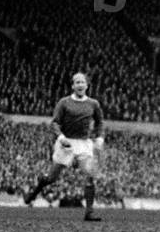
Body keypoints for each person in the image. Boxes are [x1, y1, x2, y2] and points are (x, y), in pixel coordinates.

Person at [23, 72, 106, 221]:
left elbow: (100, 122)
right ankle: (35, 191)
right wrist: (61, 137)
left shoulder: (93, 104)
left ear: (87, 85)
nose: (80, 85)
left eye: (82, 82)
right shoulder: (64, 102)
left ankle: (89, 212)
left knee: (90, 174)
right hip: (66, 142)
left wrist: (99, 137)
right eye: (77, 82)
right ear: (73, 86)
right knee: (52, 178)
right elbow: (55, 122)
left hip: (84, 143)